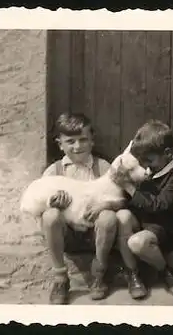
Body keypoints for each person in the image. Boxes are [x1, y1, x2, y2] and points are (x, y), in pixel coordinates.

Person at [41, 112, 120, 304]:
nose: (78, 146)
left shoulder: (102, 167)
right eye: (70, 141)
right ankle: (60, 278)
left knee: (109, 216)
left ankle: (98, 273)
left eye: (83, 139)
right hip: (66, 235)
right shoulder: (54, 171)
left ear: (92, 141)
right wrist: (52, 202)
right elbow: (40, 200)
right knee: (49, 215)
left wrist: (106, 204)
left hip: (97, 234)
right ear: (60, 144)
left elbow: (121, 198)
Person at [114, 120, 173, 299]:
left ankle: (165, 272)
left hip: (163, 227)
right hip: (143, 223)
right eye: (142, 162)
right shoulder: (150, 171)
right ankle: (133, 274)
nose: (146, 167)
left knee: (137, 243)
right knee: (122, 217)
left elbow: (160, 205)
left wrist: (129, 186)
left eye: (150, 161)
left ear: (168, 154)